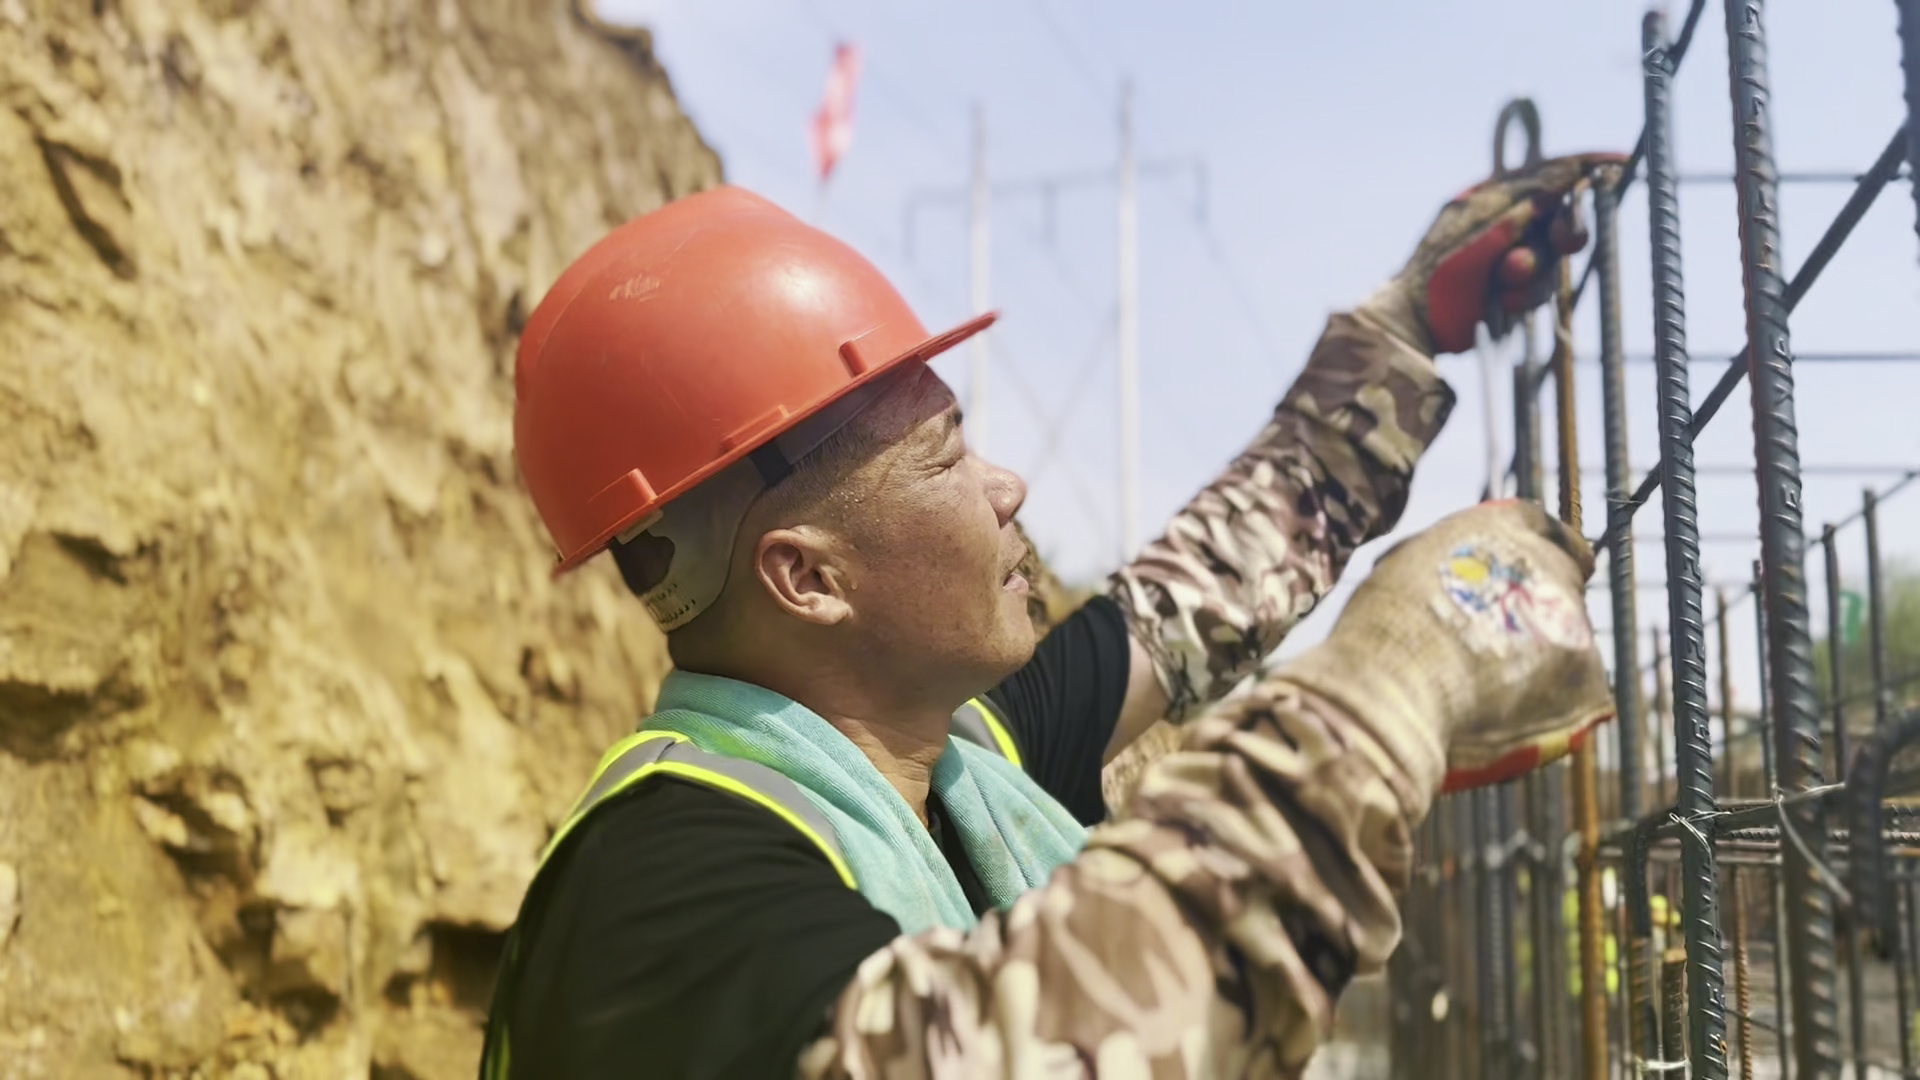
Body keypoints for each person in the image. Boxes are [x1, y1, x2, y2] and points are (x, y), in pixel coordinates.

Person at [483, 151, 1623, 1078]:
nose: (1006, 487)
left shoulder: (963, 762)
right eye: (945, 456)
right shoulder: (662, 888)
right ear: (809, 579)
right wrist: (1383, 708)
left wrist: (1407, 328)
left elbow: (1197, 595)